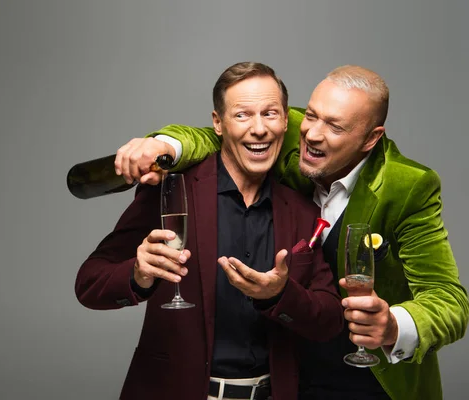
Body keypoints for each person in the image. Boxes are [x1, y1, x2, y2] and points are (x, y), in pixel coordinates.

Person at [113, 65, 469, 400]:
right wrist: (165, 145)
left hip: (370, 381)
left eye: (335, 127)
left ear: (370, 138)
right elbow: (219, 135)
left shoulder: (408, 186)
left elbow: (449, 300)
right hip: (292, 376)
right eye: (311, 115)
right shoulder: (285, 128)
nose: (312, 134)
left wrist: (392, 326)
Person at [75, 62, 344, 400]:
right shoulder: (170, 191)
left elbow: (330, 319)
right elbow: (89, 284)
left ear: (286, 121)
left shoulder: (303, 211)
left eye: (270, 114)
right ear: (218, 123)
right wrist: (138, 274)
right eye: (242, 115)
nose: (258, 129)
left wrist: (279, 294)